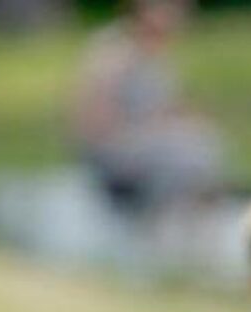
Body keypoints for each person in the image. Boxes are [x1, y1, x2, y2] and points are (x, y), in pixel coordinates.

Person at [70, 0, 226, 218]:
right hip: (116, 151)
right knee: (186, 153)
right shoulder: (116, 51)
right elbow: (94, 121)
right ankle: (163, 222)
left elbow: (165, 105)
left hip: (150, 142)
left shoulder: (158, 54)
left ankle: (197, 222)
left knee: (202, 142)